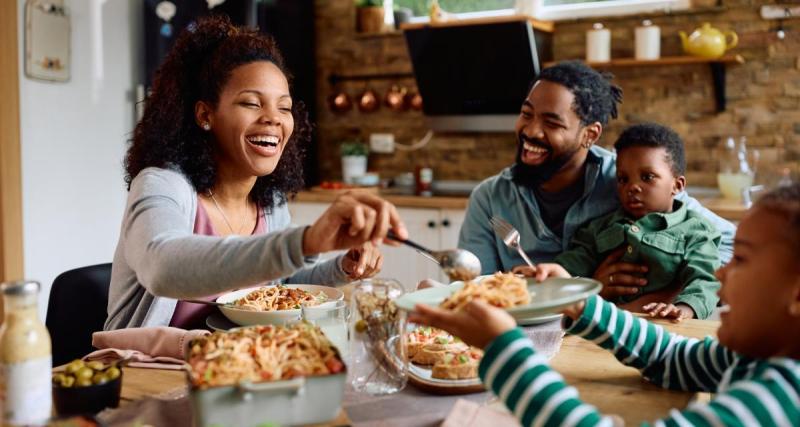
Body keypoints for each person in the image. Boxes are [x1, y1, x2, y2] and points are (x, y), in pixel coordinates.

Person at [105, 17, 407, 330]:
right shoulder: (162, 184)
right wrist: (303, 242)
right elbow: (163, 268)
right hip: (146, 370)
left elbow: (283, 284)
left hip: (239, 364)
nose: (273, 119)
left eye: (285, 107)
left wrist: (341, 267)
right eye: (251, 103)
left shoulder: (268, 200)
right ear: (205, 115)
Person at [412, 184, 800, 426]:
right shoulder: (752, 356)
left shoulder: (775, 403)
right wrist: (578, 303)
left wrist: (505, 351)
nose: (720, 274)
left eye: (742, 260)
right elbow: (670, 358)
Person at [458, 61, 735, 299]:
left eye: (552, 123)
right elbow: (476, 294)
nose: (530, 131)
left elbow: (732, 248)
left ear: (590, 135)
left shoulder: (630, 183)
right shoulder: (489, 199)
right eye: (526, 114)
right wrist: (589, 289)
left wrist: (669, 290)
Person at [532, 123, 721, 320]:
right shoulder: (600, 227)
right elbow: (575, 262)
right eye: (623, 179)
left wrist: (684, 309)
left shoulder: (697, 231)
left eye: (647, 177)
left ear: (677, 185)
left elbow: (707, 280)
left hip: (664, 327)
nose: (632, 187)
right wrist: (544, 274)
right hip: (605, 327)